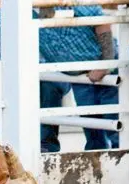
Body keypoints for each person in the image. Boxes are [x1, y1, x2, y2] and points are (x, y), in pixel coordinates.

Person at [0, 0, 71, 150]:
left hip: (46, 75)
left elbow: (31, 54)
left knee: (44, 124)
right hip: (28, 77)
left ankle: (46, 157)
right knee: (25, 121)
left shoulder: (16, 15)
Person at [38, 5, 120, 150]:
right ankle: (97, 163)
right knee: (91, 124)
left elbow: (100, 19)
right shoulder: (28, 13)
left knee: (114, 120)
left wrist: (105, 64)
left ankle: (121, 159)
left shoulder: (69, 4)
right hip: (78, 74)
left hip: (103, 69)